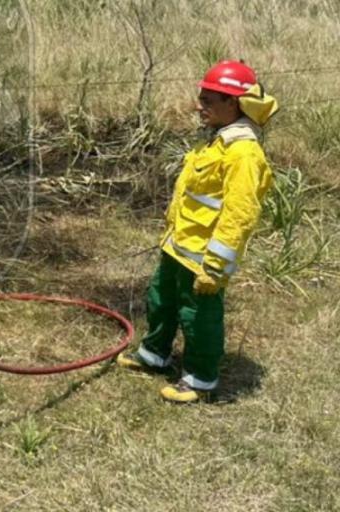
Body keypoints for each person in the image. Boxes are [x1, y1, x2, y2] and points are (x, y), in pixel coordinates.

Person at [116, 60, 279, 403]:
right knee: (161, 301)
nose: (198, 106)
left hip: (203, 257)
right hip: (178, 246)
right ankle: (154, 355)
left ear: (233, 103)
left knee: (199, 317)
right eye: (200, 98)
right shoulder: (216, 142)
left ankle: (200, 379)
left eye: (208, 100)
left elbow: (239, 215)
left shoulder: (243, 154)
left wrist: (216, 266)